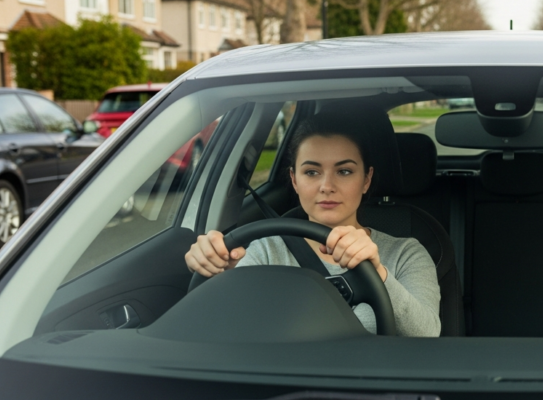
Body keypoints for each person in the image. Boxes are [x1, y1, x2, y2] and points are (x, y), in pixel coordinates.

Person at [185, 112, 441, 337]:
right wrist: (218, 275)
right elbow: (224, 331)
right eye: (311, 172)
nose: (326, 186)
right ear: (294, 181)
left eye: (344, 171)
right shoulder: (265, 250)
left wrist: (379, 273)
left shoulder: (406, 253)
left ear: (366, 179)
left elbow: (428, 333)